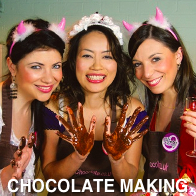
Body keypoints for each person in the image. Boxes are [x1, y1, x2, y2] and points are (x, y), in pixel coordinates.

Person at [41, 13, 149, 195]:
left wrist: (117, 159)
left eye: (107, 57)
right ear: (74, 61)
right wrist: (78, 156)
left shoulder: (132, 110)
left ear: (118, 63)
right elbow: (50, 179)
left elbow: (129, 183)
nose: (97, 66)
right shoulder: (54, 108)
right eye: (87, 56)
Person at [123, 7, 196, 193]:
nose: (146, 73)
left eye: (155, 59)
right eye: (138, 64)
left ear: (178, 55)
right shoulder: (146, 108)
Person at [0, 18, 66, 195]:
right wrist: (8, 174)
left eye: (56, 66)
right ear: (12, 67)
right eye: (36, 67)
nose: (48, 78)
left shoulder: (42, 106)